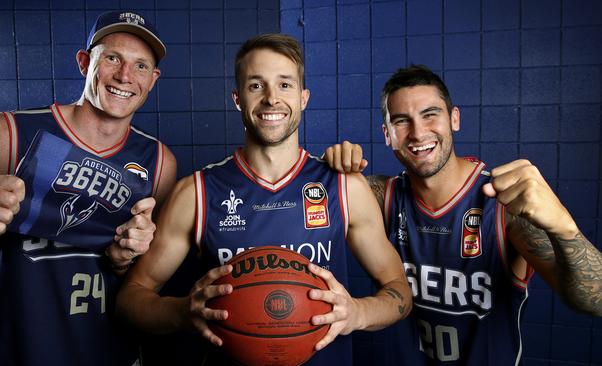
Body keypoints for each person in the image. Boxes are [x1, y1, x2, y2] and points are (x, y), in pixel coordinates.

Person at [116, 33, 412, 365]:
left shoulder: (344, 187)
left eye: (285, 85)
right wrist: (182, 311)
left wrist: (357, 312)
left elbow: (399, 290)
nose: (272, 98)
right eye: (256, 85)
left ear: (303, 98)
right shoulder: (196, 193)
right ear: (237, 98)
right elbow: (130, 299)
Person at [324, 64, 602, 365]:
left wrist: (564, 228)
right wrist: (332, 168)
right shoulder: (381, 196)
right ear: (387, 134)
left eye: (430, 114)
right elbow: (306, 192)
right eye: (402, 121)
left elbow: (595, 300)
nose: (418, 133)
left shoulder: (503, 203)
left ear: (454, 118)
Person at [0, 10, 176, 366]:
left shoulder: (160, 162)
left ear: (153, 80)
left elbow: (141, 288)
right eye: (112, 58)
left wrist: (124, 262)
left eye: (141, 66)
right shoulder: (6, 134)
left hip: (112, 354)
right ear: (85, 62)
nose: (125, 76)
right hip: (17, 352)